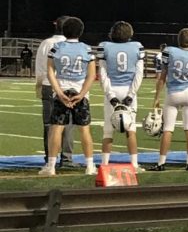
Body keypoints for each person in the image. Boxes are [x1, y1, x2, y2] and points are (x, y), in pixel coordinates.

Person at [38, 17, 96, 177]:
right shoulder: (87, 49)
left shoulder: (56, 48)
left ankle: (51, 166)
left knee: (56, 129)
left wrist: (60, 93)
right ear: (81, 31)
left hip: (61, 90)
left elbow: (50, 72)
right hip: (80, 92)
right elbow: (92, 75)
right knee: (85, 130)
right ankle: (90, 166)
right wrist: (82, 94)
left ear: (63, 31)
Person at [151, 28, 188, 171]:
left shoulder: (170, 52)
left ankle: (161, 163)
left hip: (173, 93)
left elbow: (162, 78)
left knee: (168, 129)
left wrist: (156, 98)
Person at [96, 20, 145, 173]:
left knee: (108, 130)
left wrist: (110, 95)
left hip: (112, 89)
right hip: (128, 89)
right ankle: (134, 164)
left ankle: (104, 164)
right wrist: (131, 94)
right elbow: (139, 73)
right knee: (131, 129)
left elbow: (102, 73)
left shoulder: (105, 46)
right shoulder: (136, 47)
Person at [34, 15, 74, 167]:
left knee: (49, 124)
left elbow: (39, 68)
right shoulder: (72, 45)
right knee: (68, 123)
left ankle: (49, 158)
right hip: (67, 86)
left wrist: (39, 86)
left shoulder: (46, 43)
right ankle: (67, 158)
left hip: (48, 85)